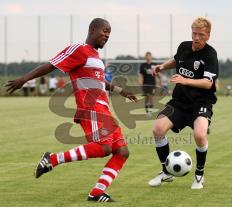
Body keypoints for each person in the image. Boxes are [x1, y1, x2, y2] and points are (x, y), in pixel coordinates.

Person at [6, 18, 137, 202]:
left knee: (122, 152)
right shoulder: (79, 50)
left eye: (109, 33)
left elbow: (100, 82)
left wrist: (122, 91)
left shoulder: (96, 57)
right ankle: (52, 159)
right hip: (90, 108)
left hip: (104, 108)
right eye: (104, 31)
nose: (107, 35)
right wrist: (24, 79)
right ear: (93, 29)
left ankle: (97, 192)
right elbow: (51, 65)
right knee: (104, 147)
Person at [149, 17, 218, 189]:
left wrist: (185, 80)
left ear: (208, 36)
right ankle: (166, 172)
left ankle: (199, 176)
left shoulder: (210, 54)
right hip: (180, 101)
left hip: (201, 102)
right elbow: (176, 60)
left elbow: (208, 83)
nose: (196, 38)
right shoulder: (184, 46)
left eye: (201, 34)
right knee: (158, 129)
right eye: (194, 33)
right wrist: (162, 67)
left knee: (200, 135)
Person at [138, 52, 156, 116]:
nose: (148, 57)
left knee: (150, 96)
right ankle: (147, 111)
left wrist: (160, 80)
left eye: (149, 56)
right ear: (145, 57)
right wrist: (140, 81)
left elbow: (158, 73)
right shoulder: (143, 65)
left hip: (152, 83)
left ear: (151, 57)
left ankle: (150, 112)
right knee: (147, 97)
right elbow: (140, 74)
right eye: (147, 56)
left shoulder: (154, 65)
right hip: (145, 83)